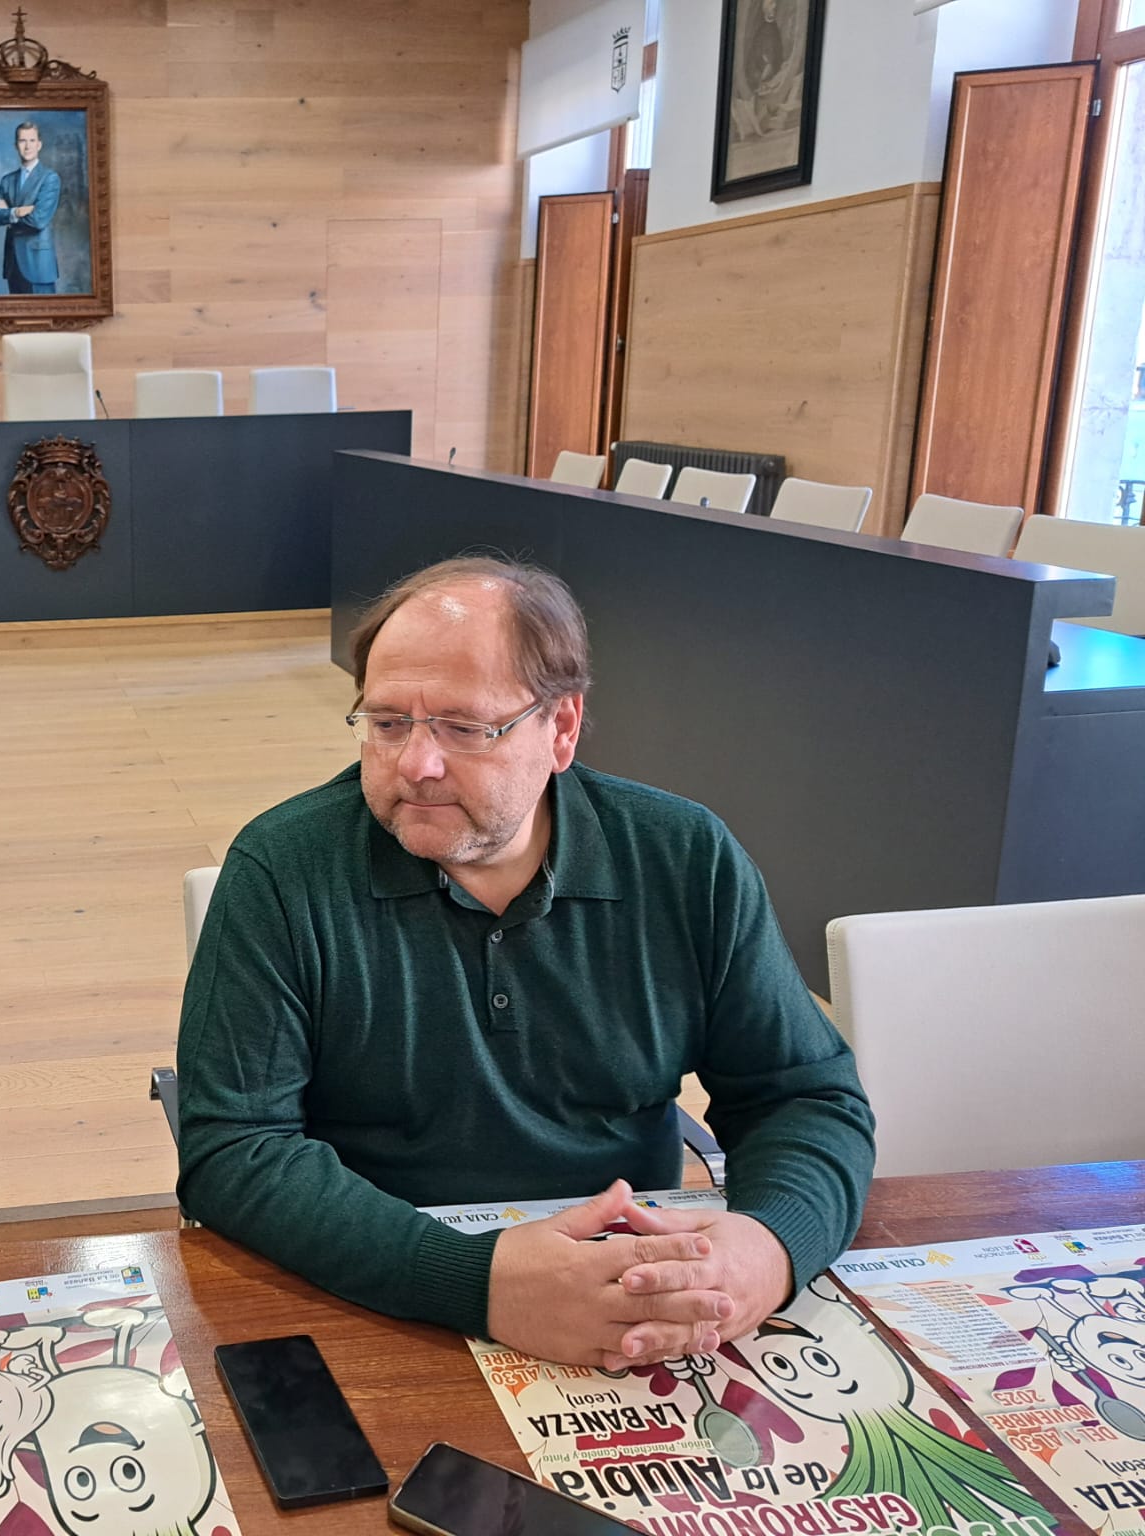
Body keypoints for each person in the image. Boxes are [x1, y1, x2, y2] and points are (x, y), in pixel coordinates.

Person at [176, 556, 874, 1370]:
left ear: (563, 729)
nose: (416, 764)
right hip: (382, 1291)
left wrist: (766, 1249)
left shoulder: (684, 858)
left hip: (636, 1300)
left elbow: (804, 1096)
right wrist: (476, 1281)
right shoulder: (284, 867)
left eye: (464, 728)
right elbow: (234, 1148)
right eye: (388, 721)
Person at [0, 120, 62, 295]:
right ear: (16, 145)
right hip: (13, 264)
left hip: (38, 264)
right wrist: (18, 211)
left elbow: (38, 219)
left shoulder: (50, 178)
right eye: (22, 141)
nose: (27, 146)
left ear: (39, 145)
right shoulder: (7, 180)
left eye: (32, 140)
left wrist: (7, 213)